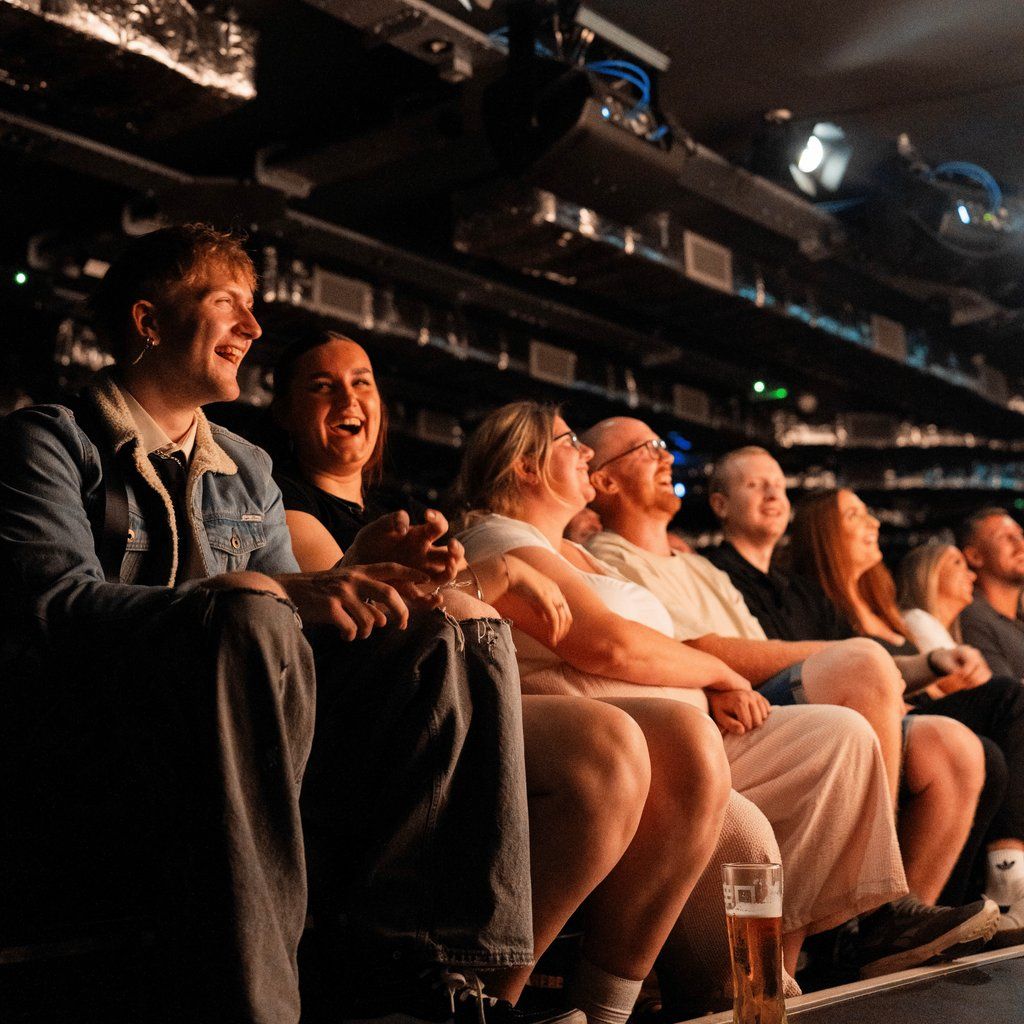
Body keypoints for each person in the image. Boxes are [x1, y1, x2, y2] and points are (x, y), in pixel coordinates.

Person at [0, 226, 555, 1024]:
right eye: (226, 304)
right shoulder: (50, 442)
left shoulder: (248, 466)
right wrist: (260, 595)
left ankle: (418, 965)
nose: (252, 328)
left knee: (453, 636)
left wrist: (368, 582)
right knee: (252, 613)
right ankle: (258, 1004)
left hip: (258, 724)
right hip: (107, 740)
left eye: (252, 307)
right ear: (149, 322)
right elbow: (57, 609)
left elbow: (297, 624)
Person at [269, 329, 707, 1022]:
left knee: (685, 739)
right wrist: (489, 575)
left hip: (453, 701)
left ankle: (602, 1010)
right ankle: (492, 1001)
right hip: (379, 724)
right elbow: (364, 622)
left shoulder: (394, 514)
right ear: (286, 413)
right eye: (322, 387)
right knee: (608, 748)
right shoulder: (287, 506)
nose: (349, 399)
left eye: (362, 383)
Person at [449, 401, 922, 1000]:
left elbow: (655, 645)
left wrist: (705, 685)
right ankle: (719, 996)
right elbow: (609, 644)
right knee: (747, 838)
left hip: (687, 723)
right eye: (570, 441)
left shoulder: (576, 551)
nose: (586, 452)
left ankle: (782, 972)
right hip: (623, 740)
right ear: (524, 466)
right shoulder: (498, 537)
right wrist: (721, 674)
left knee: (842, 736)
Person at [578, 416, 999, 960]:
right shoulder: (610, 557)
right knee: (864, 662)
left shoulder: (700, 567)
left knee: (954, 746)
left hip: (754, 696)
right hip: (718, 714)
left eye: (663, 446)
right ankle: (879, 914)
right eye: (646, 448)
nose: (666, 456)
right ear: (605, 480)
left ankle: (891, 934)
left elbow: (754, 647)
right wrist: (848, 655)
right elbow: (701, 649)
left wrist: (913, 662)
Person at [790, 489, 1024, 943]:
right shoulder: (824, 607)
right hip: (877, 712)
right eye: (855, 515)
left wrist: (933, 670)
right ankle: (1006, 879)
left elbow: (913, 675)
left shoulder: (883, 606)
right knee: (1007, 704)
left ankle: (928, 916)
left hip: (908, 706)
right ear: (823, 536)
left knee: (990, 753)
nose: (874, 523)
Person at [957, 507, 1024, 679]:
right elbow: (1005, 691)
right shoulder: (973, 619)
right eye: (1003, 537)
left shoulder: (1016, 619)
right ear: (974, 556)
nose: (1020, 545)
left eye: (1020, 535)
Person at [898, 541, 975, 652]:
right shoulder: (917, 620)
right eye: (957, 562)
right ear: (926, 572)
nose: (972, 576)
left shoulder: (934, 628)